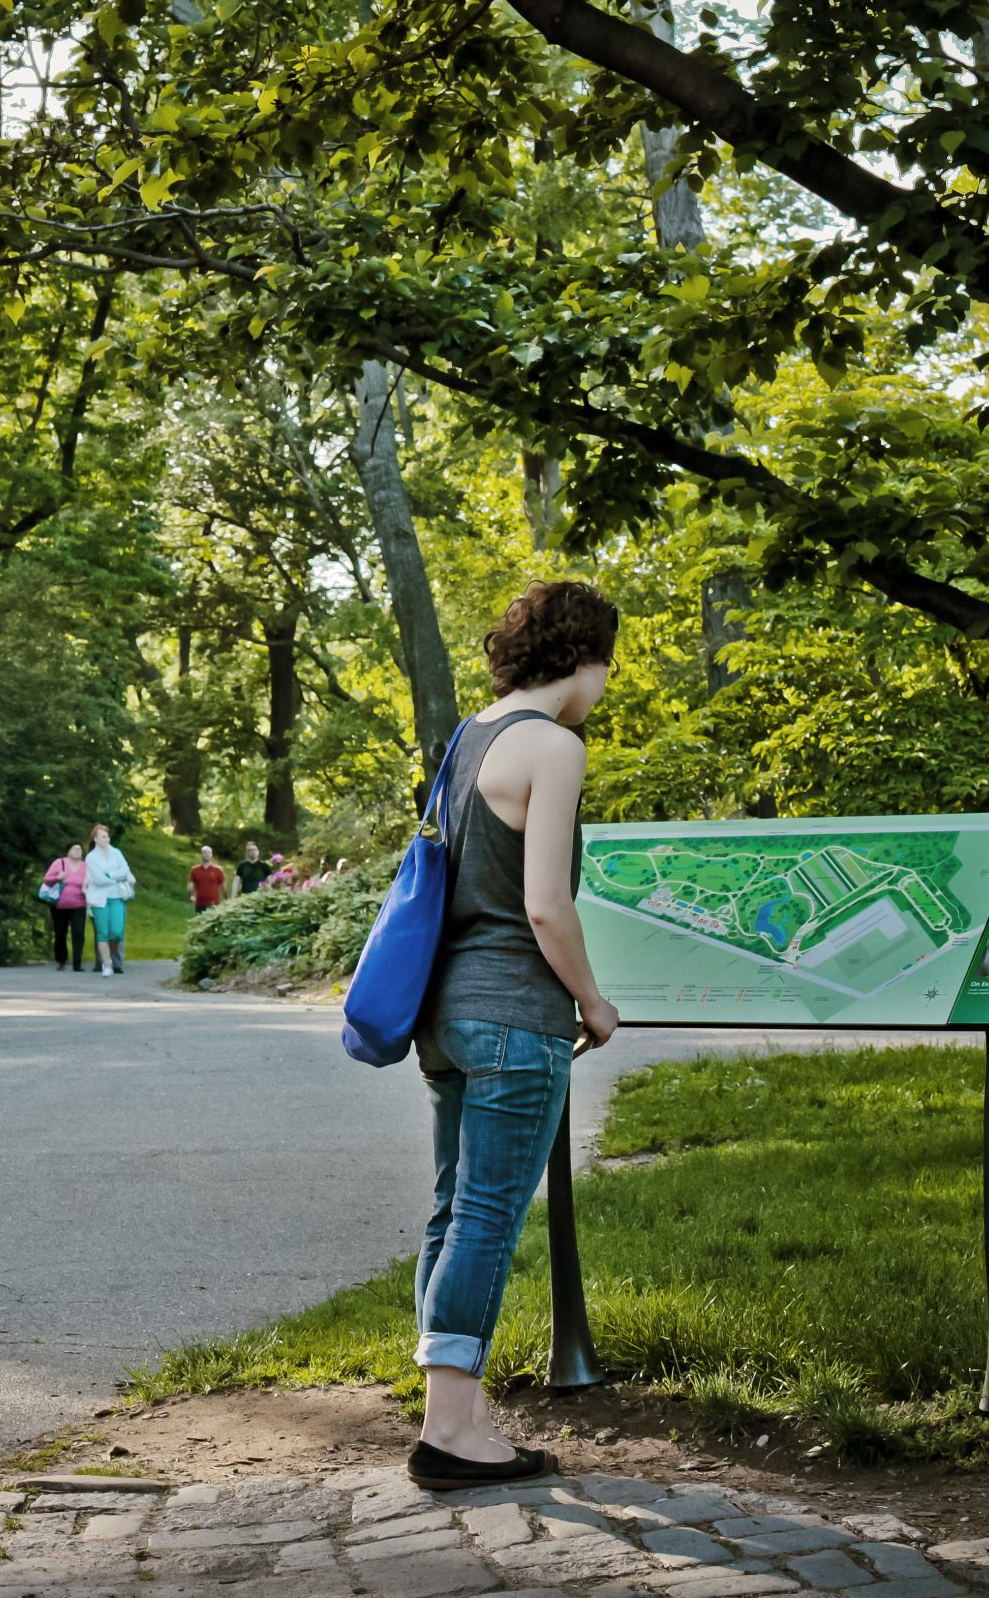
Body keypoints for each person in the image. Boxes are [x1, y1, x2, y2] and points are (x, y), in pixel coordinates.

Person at [406, 579, 622, 1492]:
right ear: (581, 659)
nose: (606, 684)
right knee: (487, 1215)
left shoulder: (471, 738)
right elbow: (545, 905)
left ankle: (452, 1412)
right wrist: (595, 1002)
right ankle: (450, 1431)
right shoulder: (552, 746)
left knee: (455, 1208)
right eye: (607, 664)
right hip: (512, 1018)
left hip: (446, 1014)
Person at [83, 823, 137, 975]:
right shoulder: (91, 857)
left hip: (117, 896)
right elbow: (99, 880)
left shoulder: (116, 853)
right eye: (103, 837)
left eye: (107, 836)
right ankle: (106, 965)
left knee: (117, 932)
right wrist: (116, 876)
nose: (106, 839)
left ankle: (111, 957)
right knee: (102, 932)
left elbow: (125, 870)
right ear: (95, 839)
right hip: (99, 899)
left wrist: (109, 875)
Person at [41, 843, 89, 972]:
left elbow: (92, 882)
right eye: (74, 848)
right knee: (60, 933)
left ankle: (77, 962)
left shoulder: (86, 866)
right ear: (68, 851)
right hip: (59, 906)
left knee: (79, 932)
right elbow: (46, 880)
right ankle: (61, 960)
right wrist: (58, 878)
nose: (78, 851)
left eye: (79, 849)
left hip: (79, 905)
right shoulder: (59, 863)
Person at [189, 845, 226, 914]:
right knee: (200, 923)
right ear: (201, 854)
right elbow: (191, 884)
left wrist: (226, 900)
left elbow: (224, 887)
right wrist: (192, 895)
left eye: (209, 853)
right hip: (199, 903)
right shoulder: (195, 870)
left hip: (214, 904)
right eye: (205, 852)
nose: (207, 854)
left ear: (212, 855)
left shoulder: (218, 870)